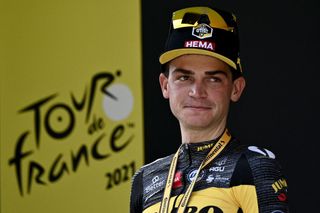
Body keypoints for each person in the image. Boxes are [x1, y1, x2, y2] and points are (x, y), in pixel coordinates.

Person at [130, 5, 289, 213]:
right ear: (165, 85)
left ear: (236, 88)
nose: (197, 91)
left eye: (213, 78)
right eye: (184, 77)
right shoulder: (145, 179)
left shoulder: (254, 168)